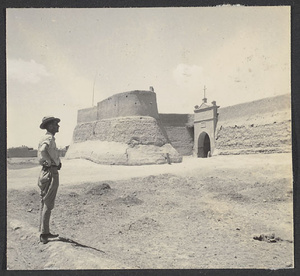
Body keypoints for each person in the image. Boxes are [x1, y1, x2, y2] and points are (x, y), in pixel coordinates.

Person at [37, 116, 62, 244]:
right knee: (48, 202)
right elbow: (43, 151)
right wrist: (52, 162)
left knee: (44, 201)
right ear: (50, 126)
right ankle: (45, 234)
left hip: (45, 171)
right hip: (51, 172)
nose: (58, 126)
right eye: (55, 124)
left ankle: (43, 231)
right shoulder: (49, 138)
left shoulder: (44, 138)